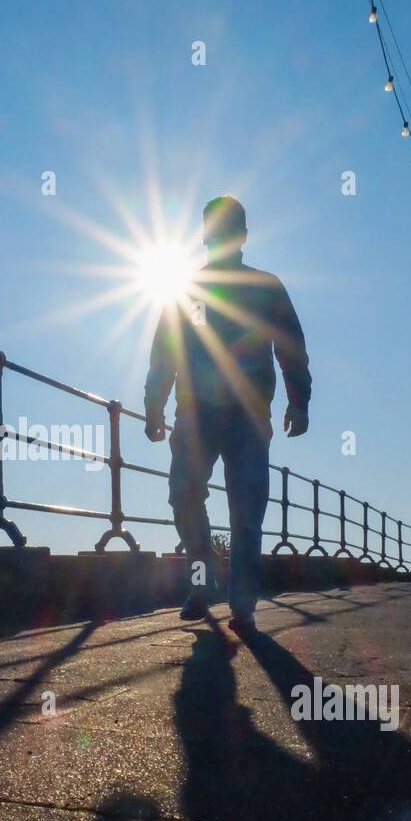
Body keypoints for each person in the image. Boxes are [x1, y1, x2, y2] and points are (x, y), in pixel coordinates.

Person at [144, 195, 312, 635]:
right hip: (195, 414)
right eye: (211, 229)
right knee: (184, 494)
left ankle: (243, 603)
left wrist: (300, 399)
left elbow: (290, 344)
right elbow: (165, 350)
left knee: (247, 507)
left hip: (249, 416)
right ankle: (203, 580)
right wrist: (153, 404)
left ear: (242, 236)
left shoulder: (266, 286)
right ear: (204, 236)